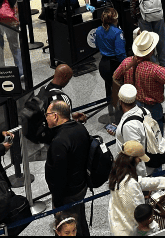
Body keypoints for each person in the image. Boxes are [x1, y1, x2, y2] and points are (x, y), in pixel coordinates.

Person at [114, 30, 165, 127]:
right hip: (152, 108)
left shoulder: (126, 62)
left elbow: (115, 77)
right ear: (151, 51)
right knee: (156, 137)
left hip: (132, 105)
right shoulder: (154, 69)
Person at [46, 100, 91, 236]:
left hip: (67, 194)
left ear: (55, 116)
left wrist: (58, 202)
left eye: (47, 114)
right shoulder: (80, 128)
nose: (45, 117)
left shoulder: (60, 141)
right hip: (80, 186)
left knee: (69, 228)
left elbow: (59, 176)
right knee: (80, 221)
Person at [108, 140, 165, 236]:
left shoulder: (118, 174)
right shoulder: (129, 185)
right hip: (129, 231)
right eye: (139, 158)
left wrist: (163, 181)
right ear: (131, 159)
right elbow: (140, 213)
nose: (141, 161)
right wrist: (155, 227)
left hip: (117, 225)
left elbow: (140, 181)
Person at [112, 83, 164, 176]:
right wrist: (118, 132)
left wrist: (139, 179)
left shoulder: (129, 126)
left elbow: (135, 155)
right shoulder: (144, 111)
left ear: (120, 101)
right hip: (149, 164)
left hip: (137, 174)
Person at [94, 8, 126, 122]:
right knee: (119, 90)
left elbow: (97, 45)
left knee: (108, 87)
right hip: (115, 64)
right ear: (115, 19)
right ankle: (120, 117)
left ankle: (110, 112)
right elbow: (120, 53)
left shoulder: (98, 30)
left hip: (103, 65)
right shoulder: (118, 32)